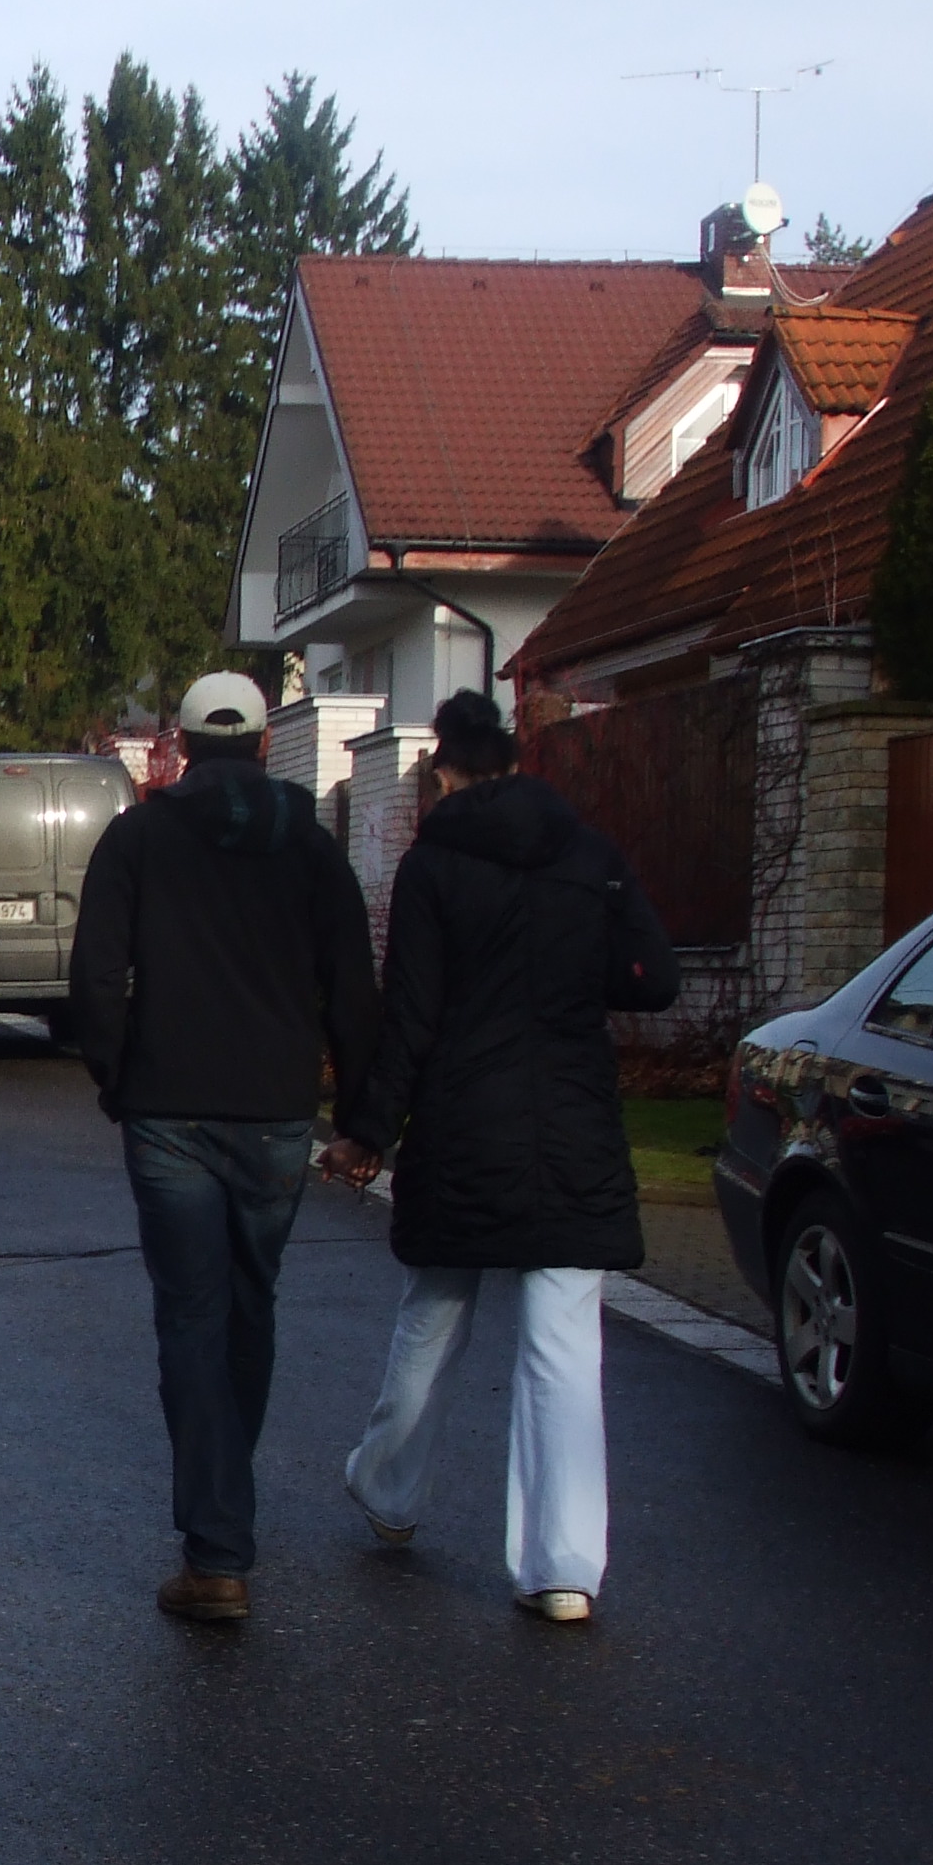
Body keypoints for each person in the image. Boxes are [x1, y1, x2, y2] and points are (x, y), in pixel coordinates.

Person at [322, 689, 679, 1624]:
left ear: (444, 769)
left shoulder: (433, 868)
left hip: (462, 1122)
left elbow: (413, 1015)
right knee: (563, 1346)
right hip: (572, 1124)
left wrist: (369, 1129)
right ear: (517, 762)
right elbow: (657, 976)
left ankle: (389, 1489)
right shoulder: (591, 856)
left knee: (435, 1313)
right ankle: (562, 1566)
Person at [69, 673, 379, 1623]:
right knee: (250, 1305)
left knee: (191, 1316)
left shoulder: (139, 839)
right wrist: (364, 1119)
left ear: (186, 747)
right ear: (264, 749)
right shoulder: (314, 852)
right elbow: (354, 991)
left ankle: (217, 1550)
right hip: (278, 1116)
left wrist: (118, 1079)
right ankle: (225, 1517)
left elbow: (94, 977)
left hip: (170, 1114)